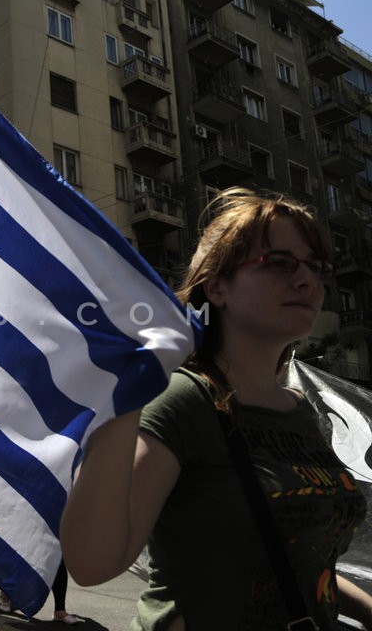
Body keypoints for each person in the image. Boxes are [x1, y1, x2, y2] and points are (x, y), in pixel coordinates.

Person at [61, 188, 372, 630]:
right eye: (280, 263)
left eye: (316, 267)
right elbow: (92, 564)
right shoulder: (184, 400)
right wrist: (124, 396)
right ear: (218, 285)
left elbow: (298, 558)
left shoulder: (299, 410)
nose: (308, 281)